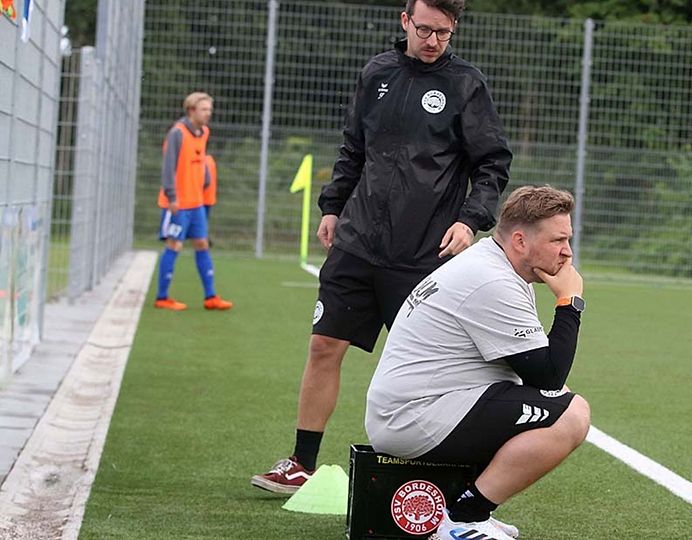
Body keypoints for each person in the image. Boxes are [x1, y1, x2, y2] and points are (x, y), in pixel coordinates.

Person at [251, 0, 511, 493]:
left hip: (423, 253)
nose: (434, 41)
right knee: (324, 345)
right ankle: (301, 463)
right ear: (405, 21)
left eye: (445, 33)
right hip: (358, 241)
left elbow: (492, 163)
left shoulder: (465, 85)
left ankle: (439, 474)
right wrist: (333, 206)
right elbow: (353, 148)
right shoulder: (377, 74)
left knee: (426, 368)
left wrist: (469, 220)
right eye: (427, 29)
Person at [365, 186, 590, 539]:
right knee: (572, 415)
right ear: (519, 241)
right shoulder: (492, 279)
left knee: (557, 398)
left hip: (418, 406)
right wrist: (570, 302)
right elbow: (547, 374)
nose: (567, 252)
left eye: (568, 239)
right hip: (412, 416)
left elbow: (537, 374)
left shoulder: (493, 264)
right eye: (557, 240)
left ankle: (469, 511)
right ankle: (463, 517)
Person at [154, 92, 233, 311]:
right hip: (178, 202)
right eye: (204, 109)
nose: (208, 113)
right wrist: (172, 196)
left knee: (202, 244)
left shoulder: (204, 132)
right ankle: (162, 297)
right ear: (191, 111)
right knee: (174, 244)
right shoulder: (177, 134)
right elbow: (168, 167)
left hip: (196, 202)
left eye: (209, 109)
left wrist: (205, 180)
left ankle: (210, 297)